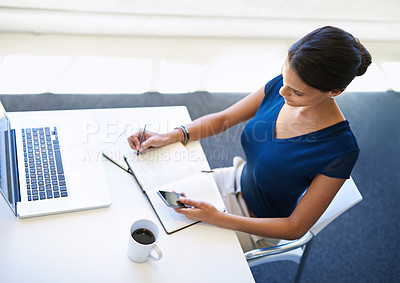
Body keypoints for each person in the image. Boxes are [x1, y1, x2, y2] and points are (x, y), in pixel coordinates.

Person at [128, 26, 372, 252]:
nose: (282, 92)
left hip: (254, 223)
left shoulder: (341, 149)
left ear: (334, 92)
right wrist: (171, 135)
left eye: (297, 92)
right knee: (141, 202)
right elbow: (223, 119)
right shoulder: (284, 86)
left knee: (170, 253)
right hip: (232, 178)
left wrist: (217, 218)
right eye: (284, 79)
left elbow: (294, 227)